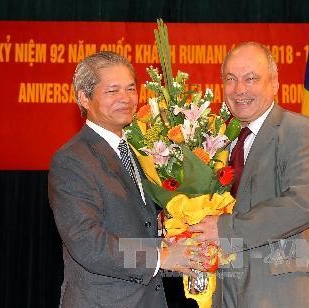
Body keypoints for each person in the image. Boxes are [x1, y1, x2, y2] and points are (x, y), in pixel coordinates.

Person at [48, 51, 207, 307]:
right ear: (84, 98)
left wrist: (180, 235)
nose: (126, 98)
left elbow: (140, 227)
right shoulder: (73, 160)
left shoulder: (139, 151)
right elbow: (87, 242)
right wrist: (160, 257)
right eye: (112, 91)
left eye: (131, 88)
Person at [189, 42, 309, 307]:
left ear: (275, 83)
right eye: (230, 79)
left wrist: (224, 229)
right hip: (224, 290)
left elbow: (303, 205)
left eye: (251, 78)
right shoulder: (216, 140)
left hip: (283, 293)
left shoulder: (302, 132)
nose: (240, 89)